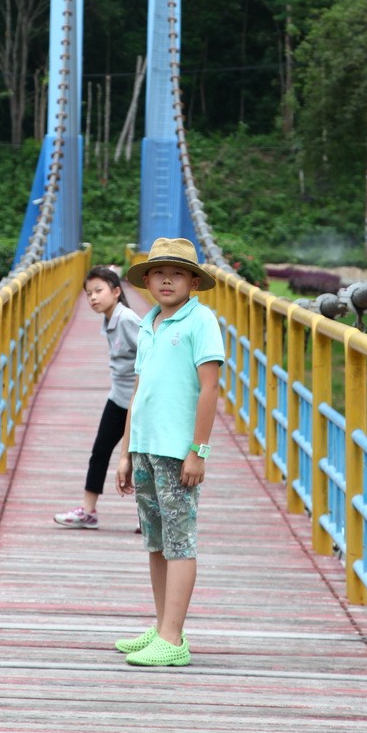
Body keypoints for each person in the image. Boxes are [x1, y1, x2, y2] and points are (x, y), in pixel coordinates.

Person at [114, 237, 225, 668]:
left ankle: (174, 638)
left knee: (179, 542)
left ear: (193, 281)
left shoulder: (202, 321)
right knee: (156, 542)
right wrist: (126, 452)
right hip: (144, 447)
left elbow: (210, 388)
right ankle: (162, 625)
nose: (165, 280)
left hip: (177, 451)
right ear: (146, 281)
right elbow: (138, 390)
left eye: (176, 273)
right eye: (158, 273)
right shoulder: (149, 323)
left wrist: (198, 451)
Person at [53, 265, 142, 530]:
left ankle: (148, 518)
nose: (92, 298)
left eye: (98, 291)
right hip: (118, 397)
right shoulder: (109, 317)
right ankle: (88, 512)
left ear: (116, 292)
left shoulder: (127, 319)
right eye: (89, 293)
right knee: (100, 451)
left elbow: (152, 353)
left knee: (141, 459)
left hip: (138, 401)